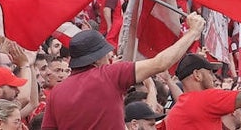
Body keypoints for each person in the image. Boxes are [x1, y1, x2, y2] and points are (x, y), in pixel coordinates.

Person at [41, 12, 205, 129]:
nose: (108, 57)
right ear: (98, 58)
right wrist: (193, 33)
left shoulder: (56, 93)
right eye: (105, 54)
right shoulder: (110, 74)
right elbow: (160, 63)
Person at [164, 49, 241, 130]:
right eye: (210, 73)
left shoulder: (175, 112)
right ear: (197, 75)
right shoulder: (206, 99)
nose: (213, 78)